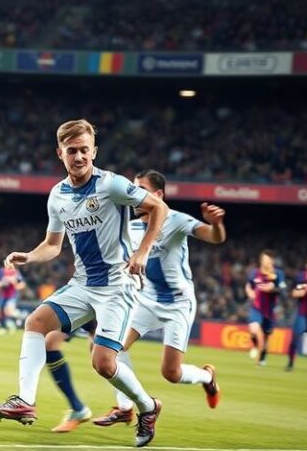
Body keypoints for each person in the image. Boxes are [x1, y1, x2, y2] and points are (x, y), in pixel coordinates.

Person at [0, 119, 169, 447]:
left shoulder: (112, 185)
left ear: (94, 151)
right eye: (72, 151)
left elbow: (159, 208)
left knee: (103, 362)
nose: (79, 156)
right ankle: (25, 400)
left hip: (117, 286)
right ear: (61, 154)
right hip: (83, 283)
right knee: (36, 322)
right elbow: (53, 245)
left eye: (85, 150)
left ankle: (147, 406)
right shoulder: (57, 195)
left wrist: (142, 252)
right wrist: (28, 256)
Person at [89, 170, 225, 426]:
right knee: (109, 349)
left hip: (178, 303)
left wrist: (216, 224)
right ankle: (125, 408)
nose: (136, 195)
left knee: (171, 373)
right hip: (146, 301)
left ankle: (207, 377)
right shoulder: (130, 227)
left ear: (159, 195)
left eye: (141, 188)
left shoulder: (177, 220)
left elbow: (214, 237)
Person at [45, 322, 95, 433]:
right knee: (50, 344)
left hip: (97, 307)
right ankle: (78, 408)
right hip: (82, 306)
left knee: (105, 364)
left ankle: (131, 407)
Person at [245, 250, 286, 366]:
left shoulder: (278, 274)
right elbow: (248, 284)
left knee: (266, 336)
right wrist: (250, 292)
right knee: (254, 329)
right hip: (256, 308)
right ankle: (257, 347)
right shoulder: (255, 273)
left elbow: (283, 290)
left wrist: (272, 289)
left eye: (266, 260)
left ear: (272, 261)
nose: (264, 262)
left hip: (270, 311)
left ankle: (262, 357)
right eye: (263, 260)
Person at [0, 265, 26, 335]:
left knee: (8, 310)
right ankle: (3, 327)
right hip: (3, 295)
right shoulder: (1, 271)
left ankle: (19, 317)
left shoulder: (16, 272)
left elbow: (22, 284)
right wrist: (2, 284)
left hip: (12, 295)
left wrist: (15, 284)